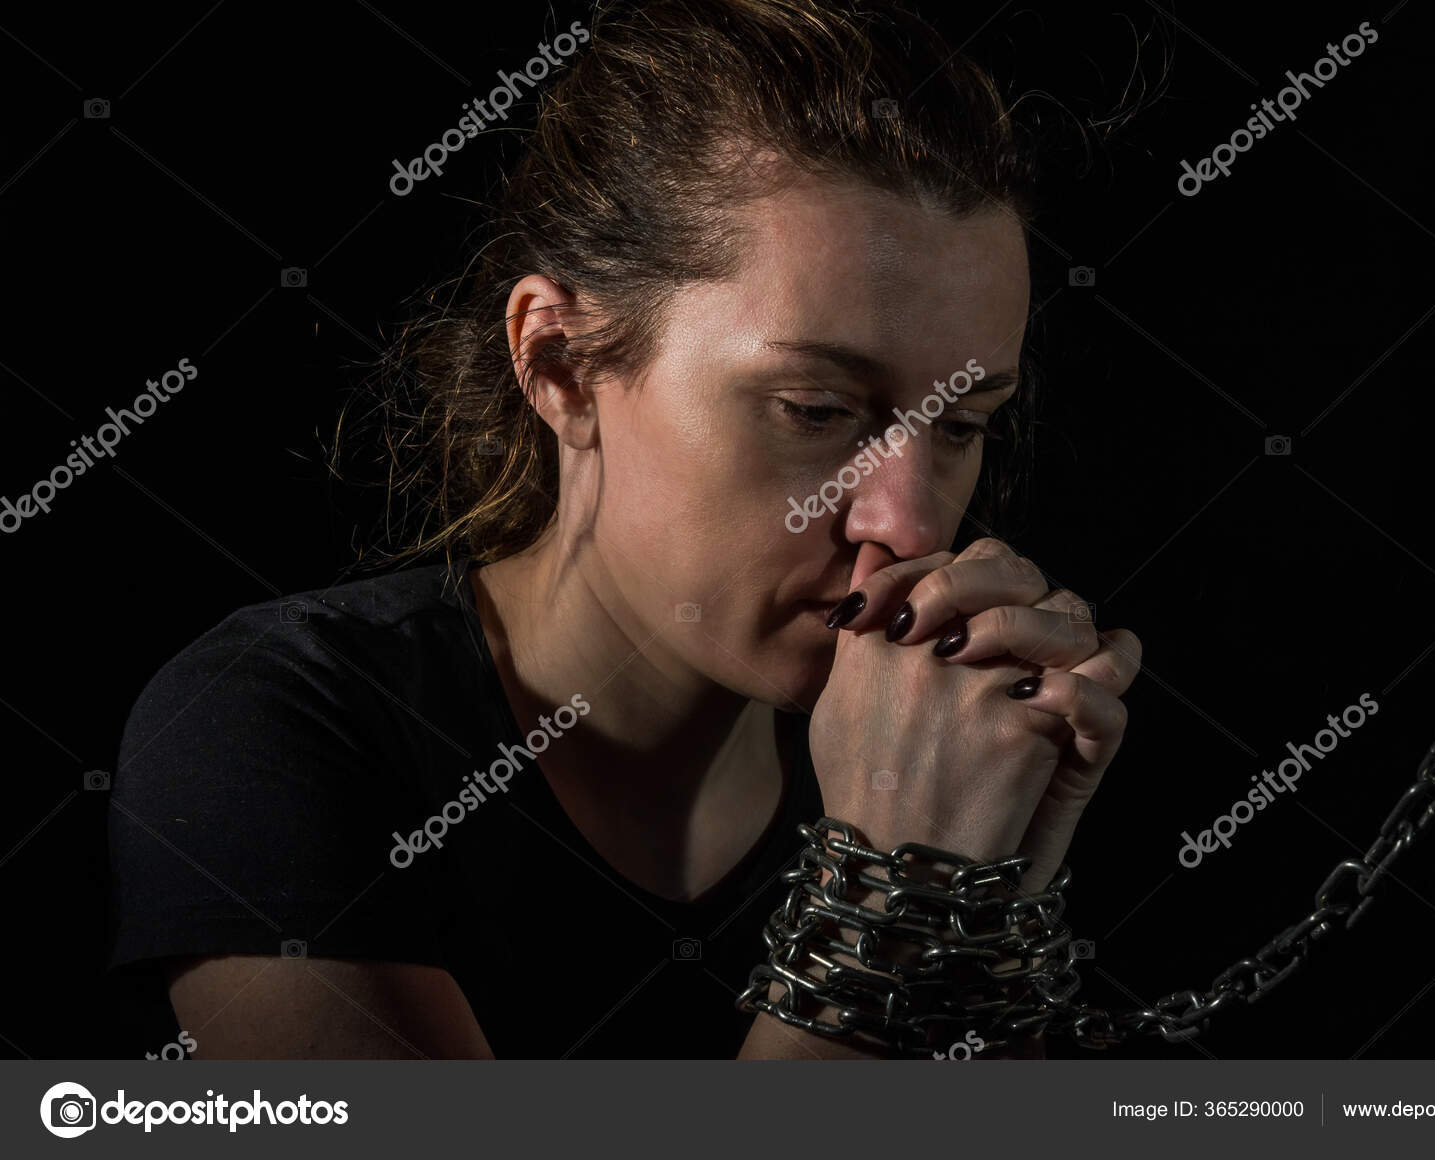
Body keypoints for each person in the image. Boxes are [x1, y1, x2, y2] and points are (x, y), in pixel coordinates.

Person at [105, 0, 1142, 1059]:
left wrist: (993, 896)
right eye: (816, 410)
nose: (909, 521)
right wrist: (888, 907)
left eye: (962, 423)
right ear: (559, 365)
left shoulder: (945, 758)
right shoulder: (279, 725)